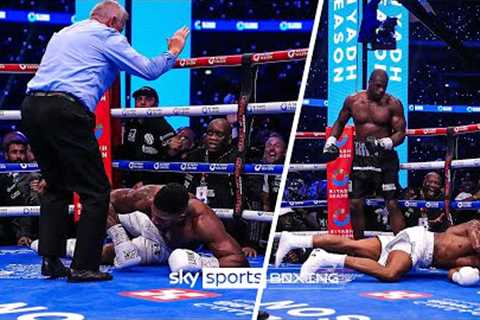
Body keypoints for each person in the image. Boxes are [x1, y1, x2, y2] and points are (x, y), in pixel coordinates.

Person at [20, 0, 189, 282]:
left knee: (55, 184)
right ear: (112, 22)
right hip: (66, 110)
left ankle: (50, 261)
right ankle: (83, 266)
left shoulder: (64, 34)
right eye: (121, 27)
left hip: (32, 107)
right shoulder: (107, 36)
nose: (121, 32)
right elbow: (149, 70)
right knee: (97, 191)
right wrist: (172, 50)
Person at [33, 183, 249, 270]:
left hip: (167, 247)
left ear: (181, 215)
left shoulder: (201, 221)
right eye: (155, 213)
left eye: (163, 219)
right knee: (123, 236)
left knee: (111, 255)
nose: (157, 219)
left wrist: (201, 264)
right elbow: (102, 200)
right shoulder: (146, 198)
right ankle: (53, 245)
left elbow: (238, 260)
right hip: (140, 221)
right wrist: (119, 236)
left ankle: (68, 247)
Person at [323, 69, 407, 239]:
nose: (381, 90)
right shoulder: (353, 101)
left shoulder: (393, 103)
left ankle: (403, 245)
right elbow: (340, 122)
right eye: (377, 86)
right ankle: (359, 245)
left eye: (384, 87)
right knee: (354, 203)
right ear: (369, 83)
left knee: (391, 203)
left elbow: (401, 132)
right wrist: (331, 140)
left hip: (385, 160)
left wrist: (388, 142)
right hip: (361, 158)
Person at [275, 219, 480, 285]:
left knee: (352, 245)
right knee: (390, 273)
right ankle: (324, 257)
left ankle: (293, 239)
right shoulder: (474, 228)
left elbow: (453, 271)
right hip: (421, 242)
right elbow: (474, 227)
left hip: (416, 253)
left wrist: (462, 278)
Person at [120, 86, 176, 187]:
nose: (142, 103)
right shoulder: (129, 124)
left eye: (148, 99)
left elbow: (169, 159)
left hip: (154, 184)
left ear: (156, 104)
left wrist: (147, 182)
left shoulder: (162, 126)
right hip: (129, 181)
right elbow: (125, 152)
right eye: (139, 99)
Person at [0, 131, 41, 246]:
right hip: (5, 228)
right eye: (14, 152)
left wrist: (39, 193)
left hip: (28, 232)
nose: (18, 156)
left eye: (21, 152)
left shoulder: (34, 176)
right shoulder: (2, 176)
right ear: (6, 155)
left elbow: (34, 206)